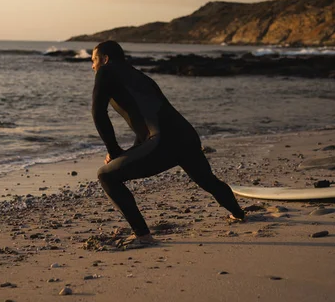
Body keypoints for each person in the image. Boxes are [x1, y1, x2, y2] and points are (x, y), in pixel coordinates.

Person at [91, 40, 246, 245]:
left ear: (105, 59)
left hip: (164, 140)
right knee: (207, 180)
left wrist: (114, 150)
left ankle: (143, 236)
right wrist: (128, 151)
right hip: (186, 135)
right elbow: (148, 121)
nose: (92, 66)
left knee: (106, 175)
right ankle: (238, 214)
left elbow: (98, 113)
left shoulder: (106, 71)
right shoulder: (141, 77)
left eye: (93, 60)